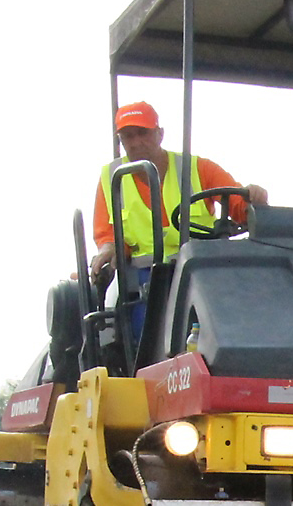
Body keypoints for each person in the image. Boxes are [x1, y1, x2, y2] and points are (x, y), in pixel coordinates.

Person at [88, 101, 267, 338]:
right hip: (145, 282)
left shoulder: (198, 168)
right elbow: (107, 234)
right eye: (127, 137)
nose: (135, 143)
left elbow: (239, 205)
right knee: (140, 335)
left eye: (143, 133)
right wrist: (108, 249)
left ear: (160, 134)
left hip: (201, 274)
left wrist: (255, 198)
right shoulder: (111, 178)